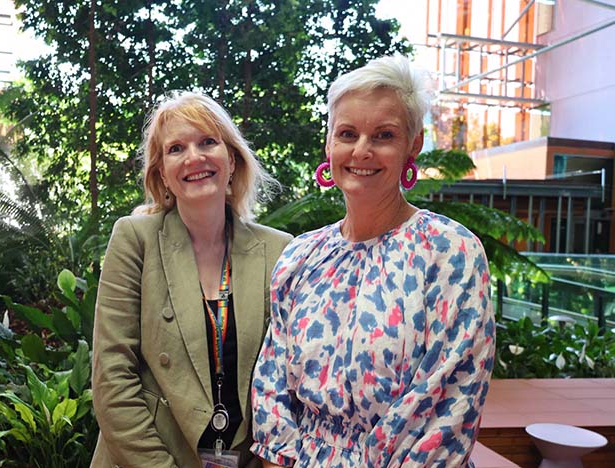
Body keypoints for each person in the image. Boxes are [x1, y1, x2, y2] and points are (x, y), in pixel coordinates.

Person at [250, 55, 496, 468]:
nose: (361, 150)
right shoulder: (300, 255)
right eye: (347, 133)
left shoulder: (450, 252)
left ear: (412, 144)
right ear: (329, 144)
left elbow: (451, 401)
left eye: (383, 135)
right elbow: (271, 383)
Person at [91, 91, 292, 468]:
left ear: (231, 160)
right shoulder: (136, 240)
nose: (194, 158)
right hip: (146, 459)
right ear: (161, 173)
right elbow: (112, 382)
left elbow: (287, 380)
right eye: (176, 148)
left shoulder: (279, 250)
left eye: (208, 142)